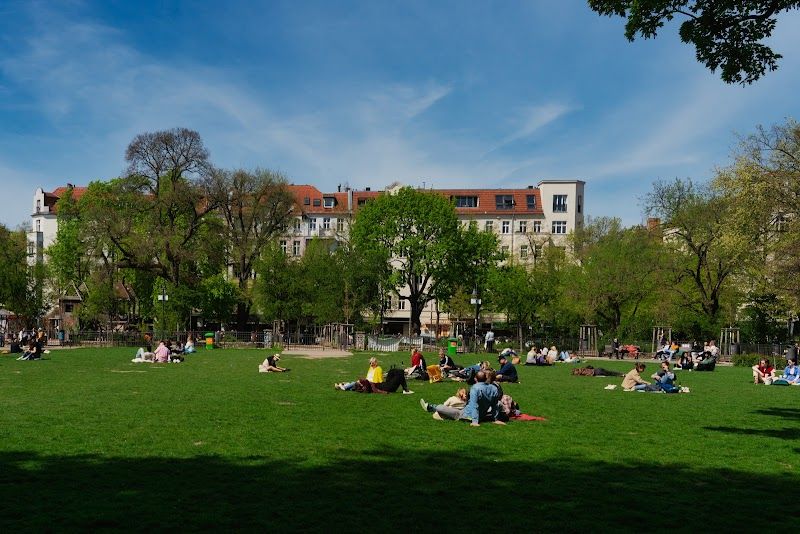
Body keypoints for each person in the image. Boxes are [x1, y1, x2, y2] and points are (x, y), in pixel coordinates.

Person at [419, 371, 504, 426]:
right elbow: (495, 405)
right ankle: (430, 407)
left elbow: (475, 405)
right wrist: (496, 419)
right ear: (485, 378)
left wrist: (474, 421)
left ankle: (431, 407)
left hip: (464, 415)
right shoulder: (493, 389)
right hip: (478, 414)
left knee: (440, 407)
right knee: (457, 406)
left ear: (476, 379)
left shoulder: (475, 388)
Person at [337, 367, 414, 394]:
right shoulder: (367, 386)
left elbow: (355, 384)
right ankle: (405, 390)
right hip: (388, 388)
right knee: (400, 372)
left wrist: (343, 384)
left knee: (392, 371)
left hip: (385, 384)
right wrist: (384, 392)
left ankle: (405, 389)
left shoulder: (364, 385)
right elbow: (375, 390)